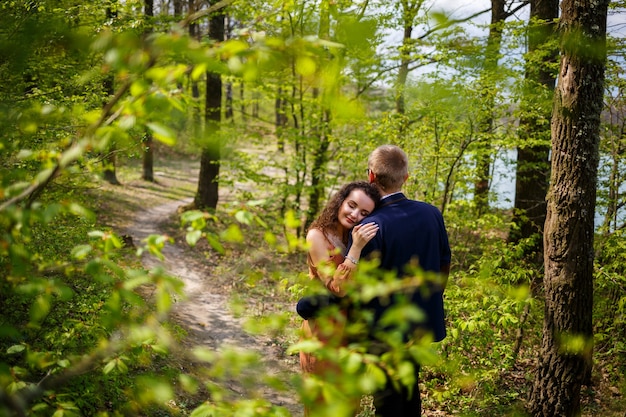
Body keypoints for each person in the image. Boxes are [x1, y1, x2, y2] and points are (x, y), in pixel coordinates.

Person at [344, 145, 452, 417]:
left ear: (370, 176)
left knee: (388, 402)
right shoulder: (431, 214)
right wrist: (430, 299)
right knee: (408, 389)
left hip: (384, 329)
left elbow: (356, 286)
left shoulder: (369, 227)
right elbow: (443, 264)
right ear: (406, 178)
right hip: (421, 321)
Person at [298, 180, 381, 416]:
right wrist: (355, 250)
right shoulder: (317, 235)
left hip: (350, 333)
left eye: (364, 212)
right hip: (323, 333)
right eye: (351, 205)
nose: (355, 214)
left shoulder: (352, 235)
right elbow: (337, 287)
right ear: (340, 201)